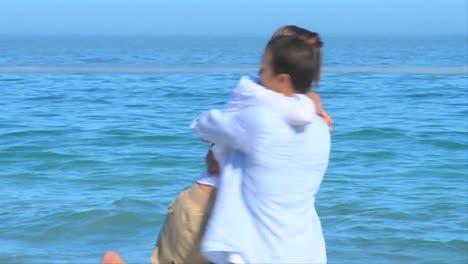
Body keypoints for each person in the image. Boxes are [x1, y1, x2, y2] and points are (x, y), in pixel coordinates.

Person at [194, 35, 330, 263]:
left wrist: (257, 97)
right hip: (304, 249)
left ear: (283, 80)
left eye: (264, 69)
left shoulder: (259, 120)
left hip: (255, 250)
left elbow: (204, 126)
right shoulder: (321, 129)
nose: (259, 75)